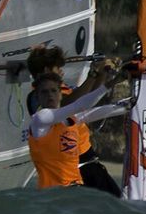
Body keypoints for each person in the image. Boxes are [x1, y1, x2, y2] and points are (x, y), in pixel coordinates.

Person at [27, 56, 124, 197]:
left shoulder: (71, 118)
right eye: (44, 92)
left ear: (60, 93)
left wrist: (128, 105)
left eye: (54, 91)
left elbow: (92, 112)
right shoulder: (41, 118)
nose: (50, 96)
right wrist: (111, 82)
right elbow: (80, 105)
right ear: (38, 96)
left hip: (76, 189)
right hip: (54, 194)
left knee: (117, 203)